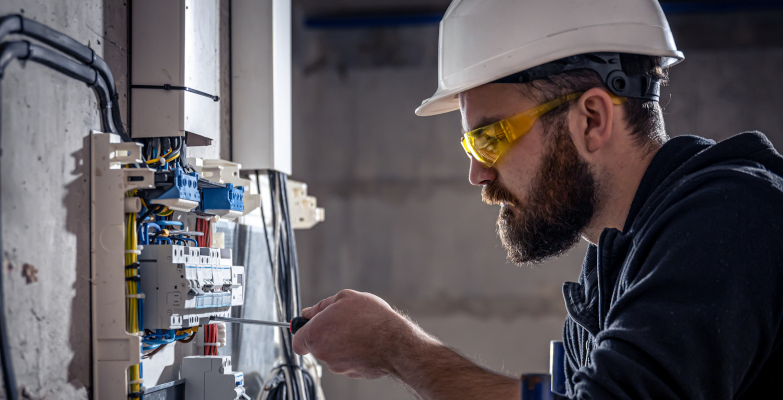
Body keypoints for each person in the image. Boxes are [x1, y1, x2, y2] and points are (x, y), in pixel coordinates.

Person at [292, 0, 783, 398]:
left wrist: (399, 348)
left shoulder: (730, 221)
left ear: (592, 119)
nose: (478, 173)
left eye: (491, 138)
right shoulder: (612, 270)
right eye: (471, 145)